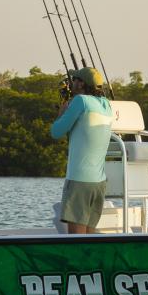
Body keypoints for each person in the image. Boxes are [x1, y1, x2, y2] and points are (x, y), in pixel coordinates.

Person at [50, 66, 113, 234]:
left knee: (76, 240)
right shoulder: (107, 105)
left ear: (82, 84)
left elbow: (56, 132)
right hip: (98, 183)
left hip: (79, 180)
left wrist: (62, 113)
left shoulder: (81, 101)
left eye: (75, 80)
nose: (72, 83)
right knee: (89, 238)